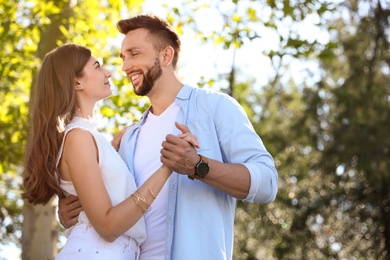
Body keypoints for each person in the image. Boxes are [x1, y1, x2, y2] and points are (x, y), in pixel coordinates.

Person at [59, 14, 279, 259]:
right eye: (123, 57)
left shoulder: (215, 107)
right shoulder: (128, 138)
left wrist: (199, 166)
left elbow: (268, 182)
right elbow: (107, 210)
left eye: (134, 54)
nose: (124, 67)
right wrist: (71, 210)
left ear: (165, 56)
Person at [22, 43, 198, 259]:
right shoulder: (77, 137)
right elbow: (108, 226)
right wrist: (169, 166)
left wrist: (113, 151)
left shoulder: (88, 137)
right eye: (97, 66)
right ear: (76, 81)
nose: (109, 72)